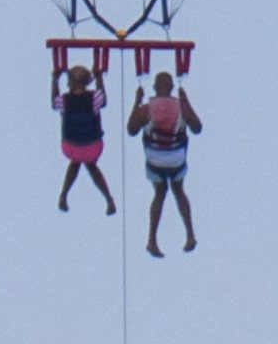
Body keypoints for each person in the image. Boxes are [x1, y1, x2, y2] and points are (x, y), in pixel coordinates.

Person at [129, 71, 200, 256]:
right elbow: (197, 127)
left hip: (155, 158)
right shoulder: (181, 107)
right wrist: (186, 101)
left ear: (154, 87)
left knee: (160, 193)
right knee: (179, 190)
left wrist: (136, 102)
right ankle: (190, 234)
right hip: (176, 157)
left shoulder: (146, 108)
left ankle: (152, 239)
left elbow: (131, 130)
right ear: (171, 88)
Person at [53, 65, 115, 214]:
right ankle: (108, 198)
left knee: (75, 164)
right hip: (92, 145)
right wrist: (99, 78)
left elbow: (55, 103)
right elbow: (103, 100)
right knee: (91, 166)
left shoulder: (65, 100)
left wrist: (54, 80)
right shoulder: (94, 98)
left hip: (71, 145)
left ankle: (63, 195)